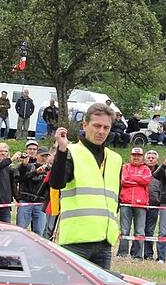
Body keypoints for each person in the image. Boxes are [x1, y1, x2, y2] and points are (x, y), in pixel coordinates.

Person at [49, 103, 121, 269]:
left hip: (105, 240)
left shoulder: (115, 159)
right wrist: (61, 150)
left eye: (106, 127)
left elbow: (115, 198)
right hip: (76, 240)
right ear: (85, 125)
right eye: (96, 126)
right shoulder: (71, 151)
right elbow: (56, 183)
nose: (101, 131)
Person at [117, 147, 151, 259]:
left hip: (141, 204)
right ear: (131, 156)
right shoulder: (125, 167)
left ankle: (137, 255)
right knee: (124, 230)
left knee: (140, 231)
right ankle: (122, 254)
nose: (136, 157)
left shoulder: (146, 169)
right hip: (126, 203)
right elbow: (124, 181)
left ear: (142, 157)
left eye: (138, 155)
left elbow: (146, 180)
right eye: (134, 155)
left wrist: (132, 178)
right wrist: (138, 180)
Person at [16, 147, 50, 235]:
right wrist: (36, 172)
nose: (44, 158)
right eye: (42, 155)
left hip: (41, 203)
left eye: (46, 156)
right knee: (20, 229)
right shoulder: (27, 166)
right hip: (25, 201)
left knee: (39, 231)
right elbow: (21, 178)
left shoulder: (50, 169)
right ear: (37, 155)